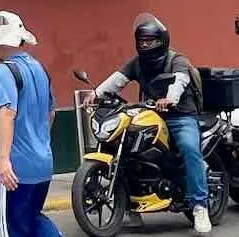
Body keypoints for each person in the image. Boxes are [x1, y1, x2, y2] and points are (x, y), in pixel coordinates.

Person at [85, 13, 209, 234]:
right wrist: (95, 94)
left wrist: (170, 99)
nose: (145, 45)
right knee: (129, 150)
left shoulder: (176, 60)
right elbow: (117, 79)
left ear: (161, 41)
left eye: (149, 41)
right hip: (150, 114)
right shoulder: (138, 63)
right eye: (141, 42)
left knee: (190, 149)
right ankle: (132, 209)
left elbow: (180, 81)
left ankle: (199, 206)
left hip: (180, 115)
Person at [0, 11, 60, 237]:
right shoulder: (40, 69)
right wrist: (40, 144)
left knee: (11, 228)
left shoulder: (3, 72)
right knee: (33, 220)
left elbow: (6, 113)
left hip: (14, 169)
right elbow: (50, 114)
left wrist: (3, 161)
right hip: (42, 164)